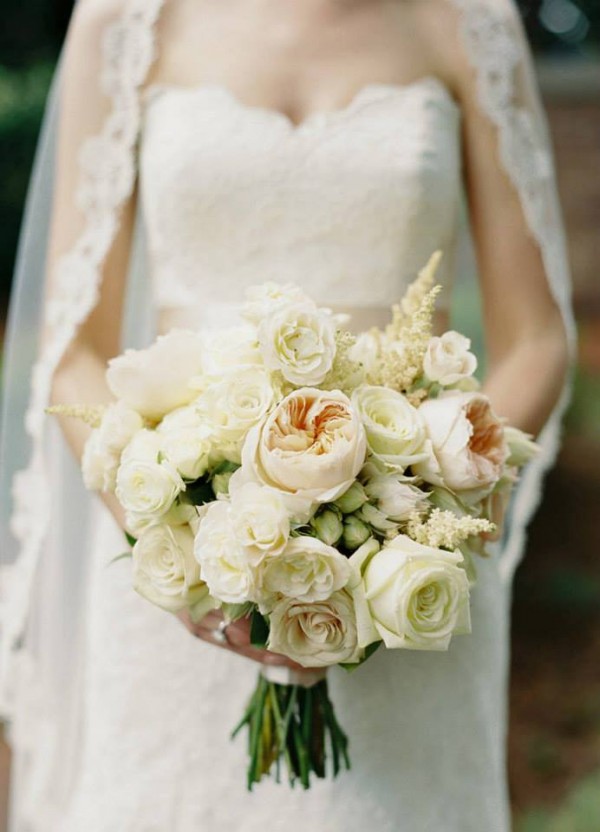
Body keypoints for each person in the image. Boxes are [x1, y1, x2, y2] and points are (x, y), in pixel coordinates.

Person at [0, 0, 574, 829]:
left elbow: (539, 340)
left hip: (406, 570)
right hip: (169, 586)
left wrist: (422, 503)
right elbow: (72, 341)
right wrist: (171, 532)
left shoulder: (469, 19)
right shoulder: (124, 21)